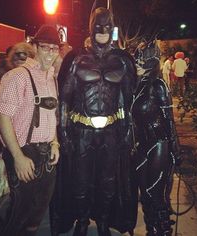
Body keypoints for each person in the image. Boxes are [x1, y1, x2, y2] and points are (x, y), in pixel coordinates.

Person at [51, 2, 137, 236]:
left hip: (110, 130)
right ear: (91, 28)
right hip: (81, 131)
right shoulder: (76, 59)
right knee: (80, 180)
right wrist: (64, 132)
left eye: (106, 26)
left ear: (112, 29)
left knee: (108, 181)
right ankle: (81, 220)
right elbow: (64, 99)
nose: (102, 30)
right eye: (98, 26)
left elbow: (127, 101)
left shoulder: (121, 61)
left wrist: (128, 131)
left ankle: (103, 220)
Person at [0, 24, 61, 236]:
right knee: (20, 213)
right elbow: (3, 117)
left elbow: (52, 116)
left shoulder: (51, 78)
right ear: (35, 47)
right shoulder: (17, 76)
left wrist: (55, 142)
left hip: (46, 155)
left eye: (54, 48)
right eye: (45, 47)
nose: (50, 53)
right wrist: (18, 157)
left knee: (38, 211)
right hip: (24, 152)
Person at [131, 40, 181, 236]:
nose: (137, 63)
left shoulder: (158, 85)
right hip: (142, 145)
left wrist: (175, 149)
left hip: (159, 143)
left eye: (140, 59)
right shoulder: (135, 85)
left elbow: (169, 120)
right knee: (144, 193)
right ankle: (152, 229)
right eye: (136, 59)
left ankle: (163, 231)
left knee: (155, 193)